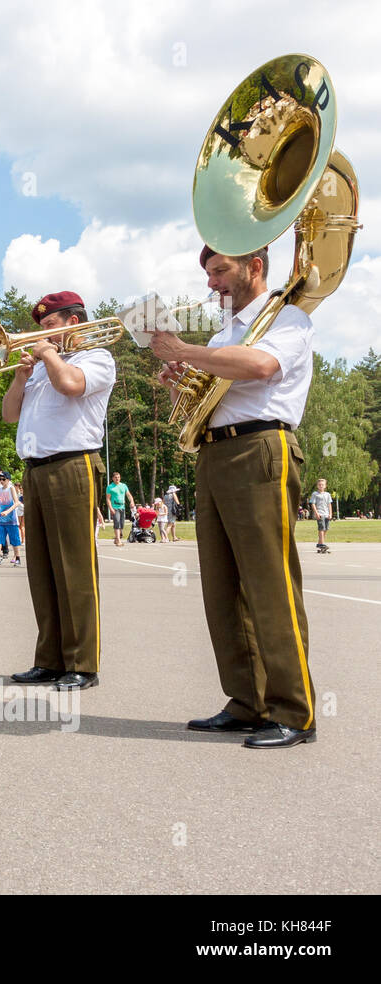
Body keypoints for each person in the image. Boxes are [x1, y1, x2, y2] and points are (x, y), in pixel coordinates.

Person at [152, 243, 317, 748]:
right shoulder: (224, 333)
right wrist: (182, 382)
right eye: (208, 274)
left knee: (269, 584)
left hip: (261, 447)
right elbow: (209, 400)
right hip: (216, 452)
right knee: (222, 589)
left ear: (255, 266)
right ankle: (248, 701)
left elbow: (261, 368)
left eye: (220, 271)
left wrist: (184, 351)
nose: (211, 283)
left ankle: (294, 711)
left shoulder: (286, 317)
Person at [3, 290, 114, 692]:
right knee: (43, 570)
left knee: (75, 569)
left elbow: (70, 386)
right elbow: (9, 414)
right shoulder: (36, 369)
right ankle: (49, 659)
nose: (40, 335)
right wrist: (20, 377)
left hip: (73, 465)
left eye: (49, 326)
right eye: (41, 329)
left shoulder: (96, 357)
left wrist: (48, 354)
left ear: (74, 322)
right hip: (35, 470)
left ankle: (82, 663)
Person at [0, 471, 22, 566]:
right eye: (0, 479)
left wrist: (7, 512)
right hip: (2, 520)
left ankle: (18, 558)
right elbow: (2, 504)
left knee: (14, 540)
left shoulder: (11, 488)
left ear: (8, 480)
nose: (1, 481)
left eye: (3, 479)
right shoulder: (0, 490)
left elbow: (17, 503)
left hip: (12, 520)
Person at [105, 471, 135, 547]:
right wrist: (110, 508)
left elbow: (128, 495)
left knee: (122, 524)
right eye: (115, 477)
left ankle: (117, 538)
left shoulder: (124, 486)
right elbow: (108, 499)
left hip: (122, 507)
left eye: (118, 477)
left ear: (120, 478)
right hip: (115, 507)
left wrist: (131, 501)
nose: (117, 479)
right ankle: (118, 541)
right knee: (117, 523)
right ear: (112, 478)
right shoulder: (110, 487)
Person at [310, 478, 332, 554]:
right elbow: (312, 504)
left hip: (326, 514)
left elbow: (329, 504)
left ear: (325, 486)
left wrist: (330, 513)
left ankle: (319, 543)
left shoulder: (328, 494)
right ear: (317, 486)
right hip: (320, 513)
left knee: (326, 529)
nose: (321, 486)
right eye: (319, 485)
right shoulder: (315, 494)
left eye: (322, 484)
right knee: (321, 529)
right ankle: (322, 544)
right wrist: (316, 513)